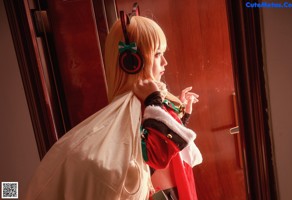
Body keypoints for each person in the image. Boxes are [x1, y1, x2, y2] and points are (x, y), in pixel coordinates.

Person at [25, 3, 202, 200]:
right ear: (132, 62)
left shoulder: (152, 103)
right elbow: (159, 154)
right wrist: (155, 102)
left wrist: (181, 115)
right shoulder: (146, 105)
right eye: (158, 54)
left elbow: (171, 148)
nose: (164, 62)